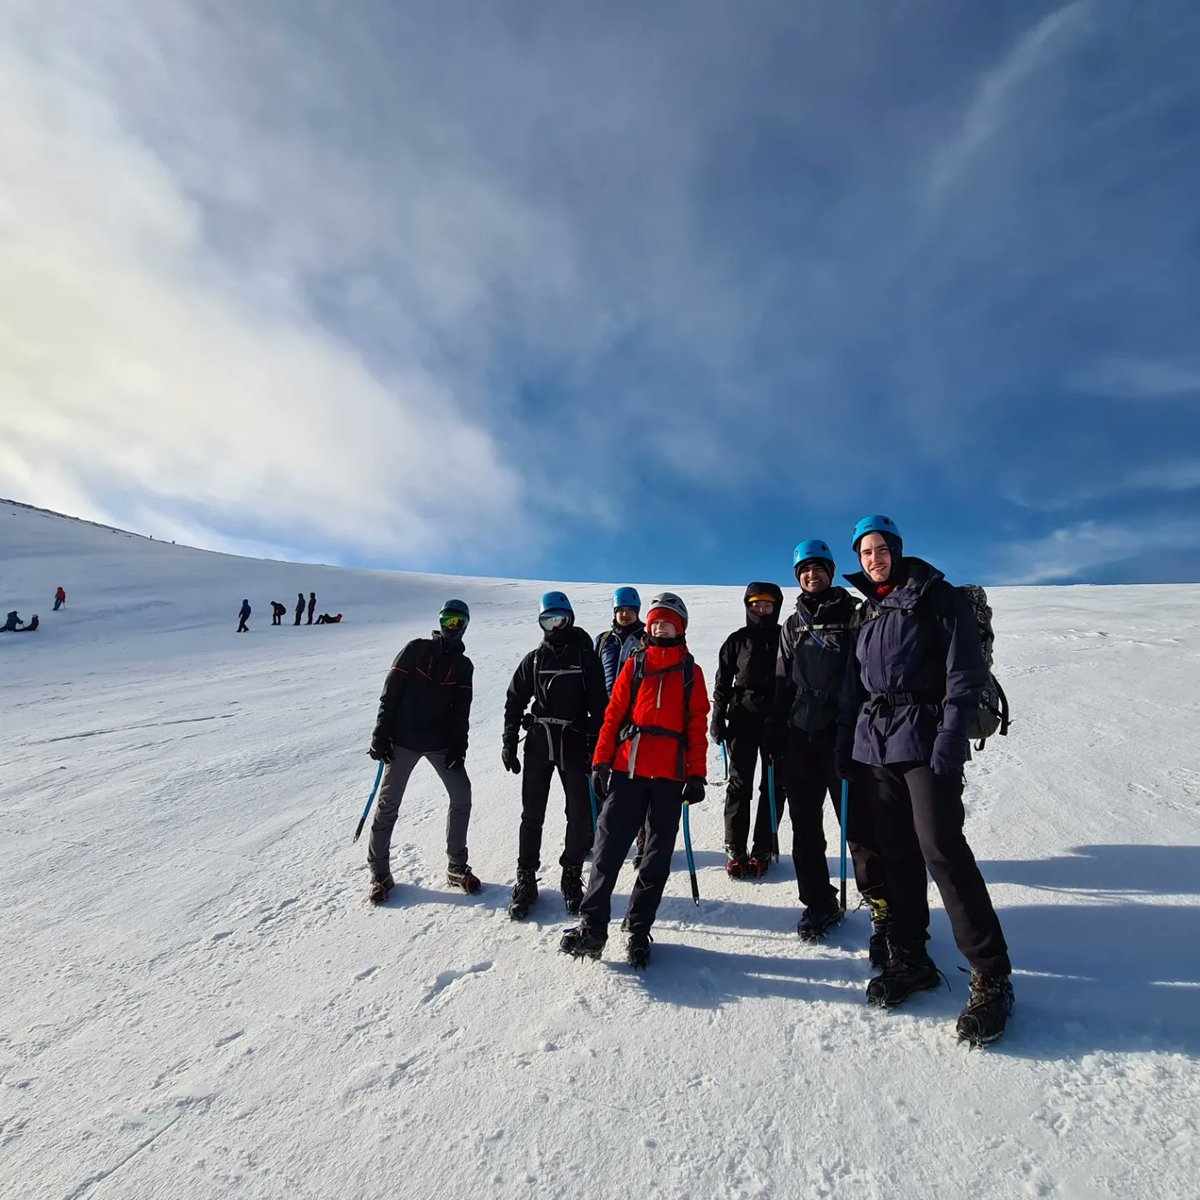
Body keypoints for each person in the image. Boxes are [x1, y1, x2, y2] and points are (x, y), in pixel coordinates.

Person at [839, 514, 1014, 1046]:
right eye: (865, 552)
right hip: (877, 746)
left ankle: (991, 975)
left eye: (880, 549)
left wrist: (951, 737)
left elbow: (964, 672)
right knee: (897, 854)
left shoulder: (935, 596)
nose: (873, 558)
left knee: (941, 849)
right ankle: (910, 956)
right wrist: (850, 747)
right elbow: (857, 686)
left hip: (925, 738)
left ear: (896, 548)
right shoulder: (868, 610)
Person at [560, 593, 710, 967]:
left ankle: (639, 928)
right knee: (608, 851)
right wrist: (600, 761)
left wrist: (697, 774)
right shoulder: (635, 665)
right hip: (628, 771)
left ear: (681, 627)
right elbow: (613, 714)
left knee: (655, 859)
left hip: (669, 779)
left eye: (669, 621)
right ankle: (593, 927)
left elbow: (697, 726)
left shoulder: (692, 672)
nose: (661, 626)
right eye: (657, 620)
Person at [768, 540, 889, 957]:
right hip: (800, 735)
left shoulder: (853, 613)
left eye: (818, 569)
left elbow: (865, 670)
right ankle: (818, 903)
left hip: (845, 733)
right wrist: (774, 726)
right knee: (804, 827)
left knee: (859, 827)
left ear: (831, 572)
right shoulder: (792, 624)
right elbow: (783, 679)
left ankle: (882, 907)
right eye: (804, 570)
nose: (811, 575)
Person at [502, 592, 608, 919]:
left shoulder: (586, 657)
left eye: (561, 618)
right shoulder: (535, 659)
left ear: (571, 618)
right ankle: (526, 878)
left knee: (578, 813)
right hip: (538, 742)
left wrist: (592, 737)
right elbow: (515, 699)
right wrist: (509, 740)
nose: (556, 625)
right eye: (548, 620)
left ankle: (571, 874)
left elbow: (601, 707)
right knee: (531, 814)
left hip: (574, 743)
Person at [366, 599, 478, 901]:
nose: (452, 627)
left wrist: (459, 746)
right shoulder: (416, 649)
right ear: (440, 622)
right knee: (388, 804)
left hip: (441, 743)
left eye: (459, 622)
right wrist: (381, 732)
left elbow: (461, 712)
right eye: (448, 620)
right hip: (403, 741)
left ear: (465, 626)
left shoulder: (464, 666)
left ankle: (457, 864)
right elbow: (390, 693)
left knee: (462, 796)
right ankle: (379, 873)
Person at [711, 582, 787, 878]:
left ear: (775, 607)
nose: (761, 609)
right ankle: (735, 847)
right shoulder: (736, 640)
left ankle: (763, 848)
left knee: (772, 785)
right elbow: (722, 683)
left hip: (777, 719)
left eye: (767, 604)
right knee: (739, 783)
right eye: (755, 604)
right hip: (742, 717)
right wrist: (718, 717)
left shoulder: (785, 637)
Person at [595, 587, 645, 694]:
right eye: (621, 610)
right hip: (605, 706)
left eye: (630, 610)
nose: (625, 614)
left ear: (637, 612)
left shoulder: (646, 641)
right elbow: (592, 674)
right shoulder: (603, 640)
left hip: (634, 706)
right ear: (615, 612)